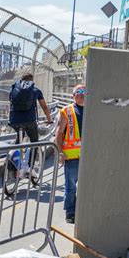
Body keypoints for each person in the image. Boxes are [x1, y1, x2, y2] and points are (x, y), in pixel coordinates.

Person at [55, 84, 86, 224]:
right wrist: (60, 153)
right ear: (73, 95)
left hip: (88, 157)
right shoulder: (66, 111)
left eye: (85, 91)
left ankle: (83, 211)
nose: (82, 93)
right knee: (71, 187)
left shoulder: (93, 110)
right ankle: (71, 212)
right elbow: (59, 133)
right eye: (79, 91)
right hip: (72, 157)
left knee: (86, 186)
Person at [9, 73, 52, 143]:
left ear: (21, 80)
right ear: (31, 80)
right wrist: (49, 119)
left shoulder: (13, 90)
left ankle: (12, 151)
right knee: (34, 140)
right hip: (30, 120)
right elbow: (44, 107)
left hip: (15, 120)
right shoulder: (36, 90)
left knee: (19, 136)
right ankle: (33, 152)